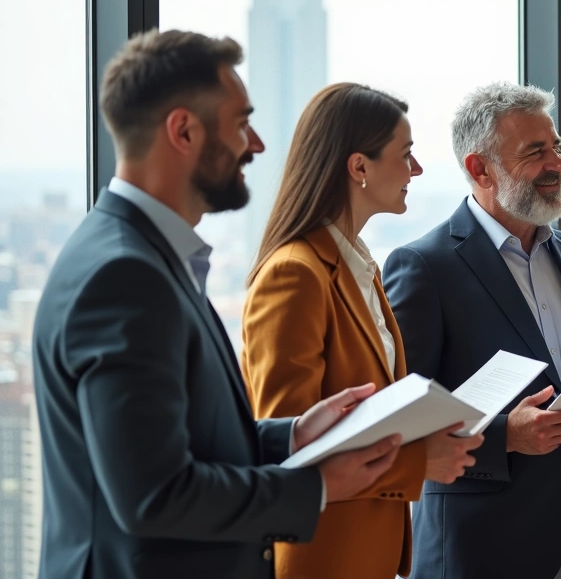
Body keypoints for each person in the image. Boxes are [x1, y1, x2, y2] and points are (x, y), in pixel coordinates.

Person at [30, 30, 402, 579]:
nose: (256, 144)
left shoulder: (147, 256)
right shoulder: (125, 275)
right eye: (240, 124)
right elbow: (156, 495)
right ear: (183, 130)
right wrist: (319, 485)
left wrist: (296, 432)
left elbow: (190, 442)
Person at [382, 82, 561, 579]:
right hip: (482, 547)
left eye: (557, 147)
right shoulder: (423, 266)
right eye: (536, 152)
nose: (558, 164)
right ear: (479, 169)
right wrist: (506, 436)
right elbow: (402, 420)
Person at [240, 82, 484, 578]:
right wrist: (419, 461)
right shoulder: (296, 273)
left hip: (362, 551)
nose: (415, 170)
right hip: (321, 555)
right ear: (359, 168)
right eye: (406, 154)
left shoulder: (362, 267)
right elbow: (289, 440)